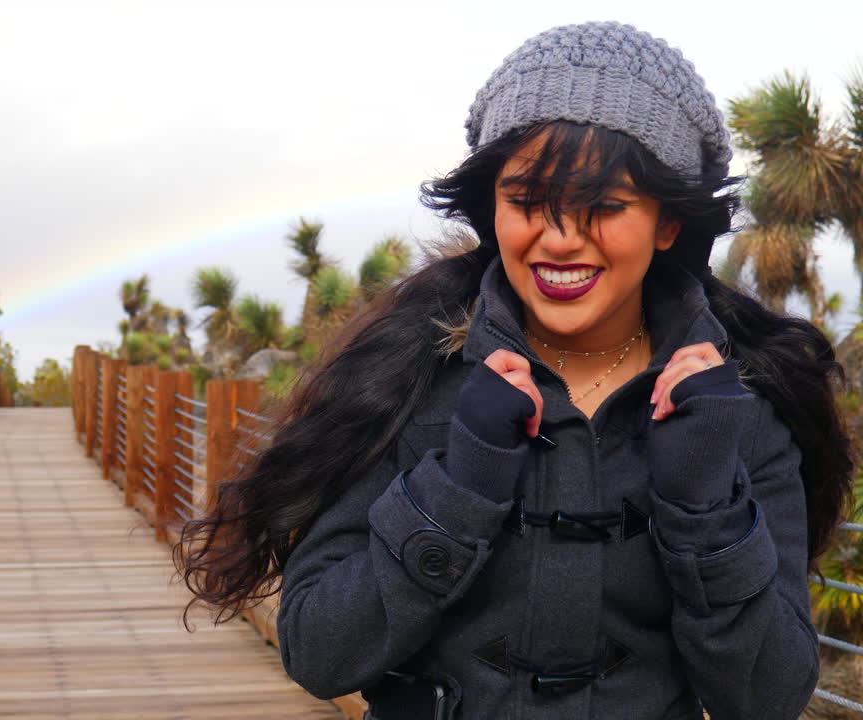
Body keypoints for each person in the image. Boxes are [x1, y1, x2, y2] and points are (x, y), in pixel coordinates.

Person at [172, 20, 854, 720]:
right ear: (490, 207)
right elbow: (319, 652)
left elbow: (769, 696)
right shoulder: (405, 377)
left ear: (668, 222)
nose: (560, 239)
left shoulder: (735, 408)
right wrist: (459, 486)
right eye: (527, 200)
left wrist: (705, 506)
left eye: (604, 207)